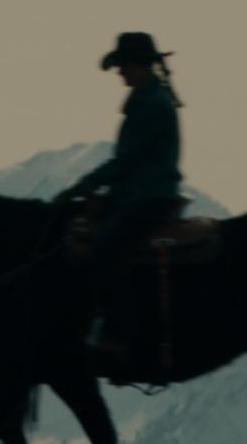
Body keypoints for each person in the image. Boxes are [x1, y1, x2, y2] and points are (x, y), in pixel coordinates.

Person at [57, 30, 185, 361]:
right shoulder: (150, 99)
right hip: (142, 192)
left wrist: (82, 188)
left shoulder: (150, 105)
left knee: (105, 249)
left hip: (148, 197)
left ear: (139, 65)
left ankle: (117, 333)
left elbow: (126, 162)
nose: (120, 73)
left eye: (124, 66)